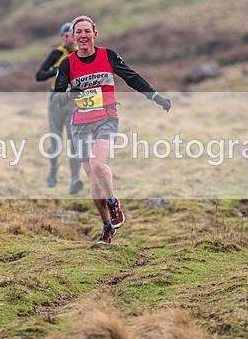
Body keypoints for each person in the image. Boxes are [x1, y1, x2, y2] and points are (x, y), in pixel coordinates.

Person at [53, 15, 172, 244]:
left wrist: (156, 97)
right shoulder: (67, 64)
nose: (83, 36)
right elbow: (56, 100)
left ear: (95, 34)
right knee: (93, 180)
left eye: (87, 31)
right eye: (79, 32)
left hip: (106, 118)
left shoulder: (108, 56)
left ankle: (113, 201)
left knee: (98, 165)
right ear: (72, 38)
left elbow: (132, 77)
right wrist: (70, 94)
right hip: (80, 124)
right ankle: (107, 226)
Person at [36, 22, 83, 194]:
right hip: (56, 101)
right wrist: (55, 70)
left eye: (73, 35)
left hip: (75, 103)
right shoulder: (57, 53)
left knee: (74, 142)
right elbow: (39, 75)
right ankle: (53, 170)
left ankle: (74, 179)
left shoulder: (82, 53)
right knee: (55, 140)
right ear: (62, 37)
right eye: (66, 35)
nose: (70, 38)